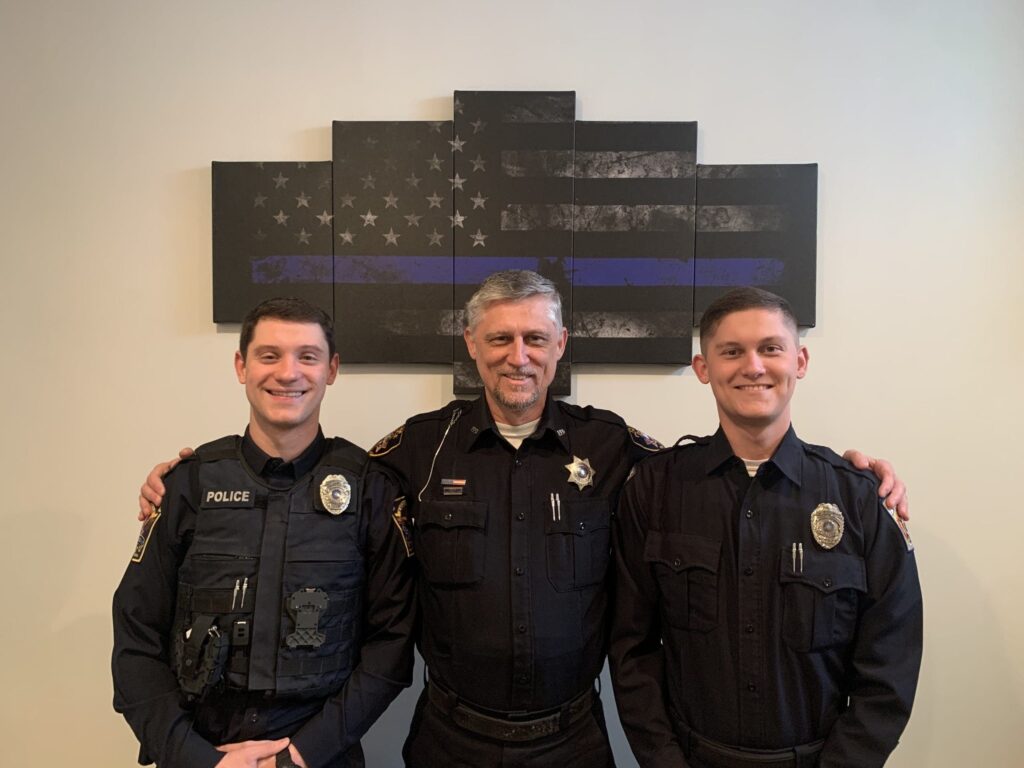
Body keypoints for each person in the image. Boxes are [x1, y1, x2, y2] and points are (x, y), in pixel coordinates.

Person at [137, 272, 909, 768]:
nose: (519, 356)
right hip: (449, 739)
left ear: (560, 345)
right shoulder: (414, 451)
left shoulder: (616, 450)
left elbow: (719, 472)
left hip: (572, 739)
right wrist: (192, 475)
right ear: (472, 346)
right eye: (500, 338)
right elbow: (316, 484)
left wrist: (854, 476)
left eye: (536, 338)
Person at [609, 287, 922, 768]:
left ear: (800, 361)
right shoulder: (655, 490)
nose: (753, 366)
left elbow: (890, 667)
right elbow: (632, 649)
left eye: (770, 348)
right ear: (703, 368)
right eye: (732, 351)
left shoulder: (860, 498)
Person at [113, 297, 415, 768]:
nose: (288, 373)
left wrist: (296, 757)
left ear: (332, 369)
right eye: (269, 355)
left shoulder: (371, 490)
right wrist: (198, 758)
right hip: (200, 747)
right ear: (242, 366)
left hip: (320, 754)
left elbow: (391, 647)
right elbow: (136, 640)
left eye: (308, 356)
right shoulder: (188, 486)